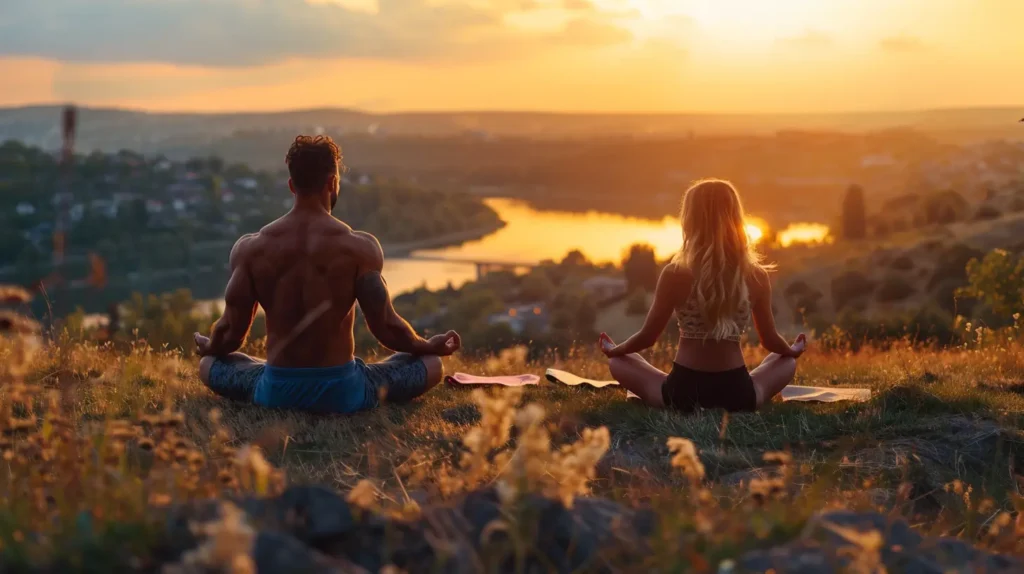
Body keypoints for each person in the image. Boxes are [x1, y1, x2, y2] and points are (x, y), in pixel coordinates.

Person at [194, 135, 461, 414]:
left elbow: (231, 333)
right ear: (333, 182)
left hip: (274, 392)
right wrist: (426, 345)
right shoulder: (360, 247)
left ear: (291, 185)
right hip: (344, 393)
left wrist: (209, 346)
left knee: (209, 365)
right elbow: (386, 326)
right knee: (432, 365)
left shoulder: (250, 249)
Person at [598, 178, 805, 413]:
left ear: (689, 219)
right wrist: (792, 351)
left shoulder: (675, 273)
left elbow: (647, 338)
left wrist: (615, 351)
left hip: (682, 392)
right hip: (738, 394)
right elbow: (769, 341)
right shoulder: (755, 275)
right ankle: (753, 391)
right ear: (736, 218)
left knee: (620, 362)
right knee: (784, 362)